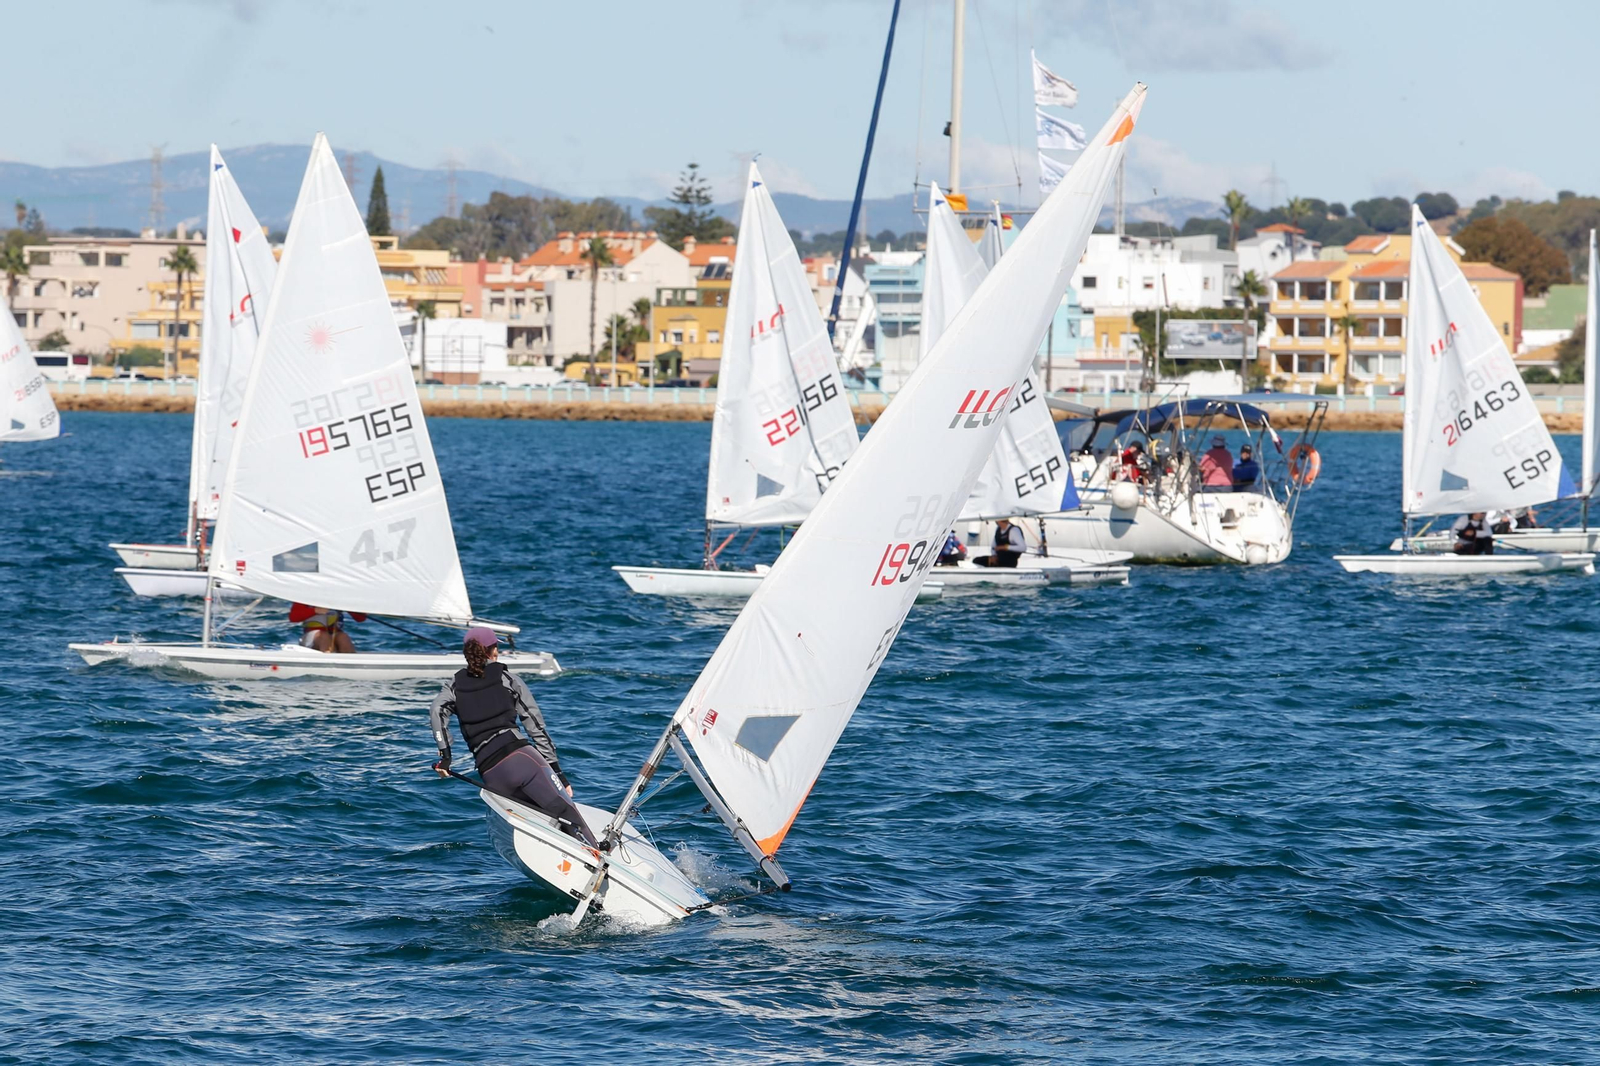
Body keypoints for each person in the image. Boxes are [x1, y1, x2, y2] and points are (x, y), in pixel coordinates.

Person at [431, 627, 600, 849]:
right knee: (567, 816)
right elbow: (536, 728)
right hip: (522, 761)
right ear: (493, 651)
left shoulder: (454, 686)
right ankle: (596, 854)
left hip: (490, 773)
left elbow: (436, 711)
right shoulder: (508, 679)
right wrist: (558, 774)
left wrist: (445, 757)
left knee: (541, 824)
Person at [288, 603, 361, 653]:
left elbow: (360, 618)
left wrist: (349, 607)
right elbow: (293, 617)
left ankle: (351, 664)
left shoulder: (339, 598)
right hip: (313, 637)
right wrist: (315, 610)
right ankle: (329, 661)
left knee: (343, 637)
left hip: (335, 634)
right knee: (323, 636)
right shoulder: (307, 597)